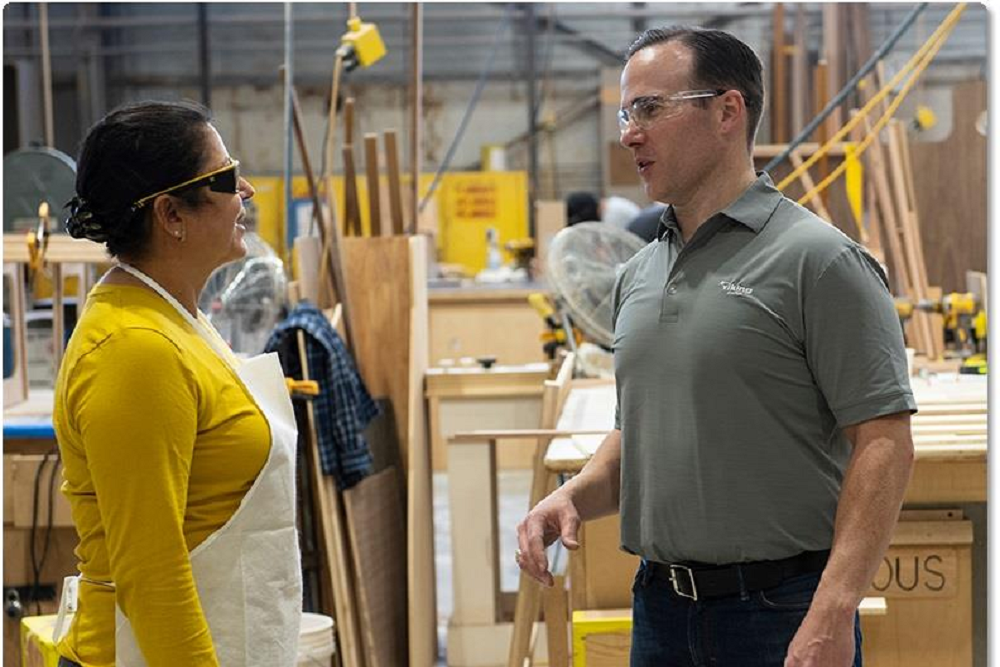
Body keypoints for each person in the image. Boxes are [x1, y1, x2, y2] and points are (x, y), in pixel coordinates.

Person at [516, 27, 915, 667]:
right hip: (661, 610)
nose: (630, 134)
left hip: (781, 613)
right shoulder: (638, 274)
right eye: (626, 114)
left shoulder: (819, 261)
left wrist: (834, 608)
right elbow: (640, 430)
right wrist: (573, 496)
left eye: (650, 108)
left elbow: (885, 441)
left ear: (728, 111)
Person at [53, 100, 302, 667]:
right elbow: (151, 571)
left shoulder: (174, 318)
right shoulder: (134, 348)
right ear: (171, 215)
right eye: (225, 178)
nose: (246, 192)